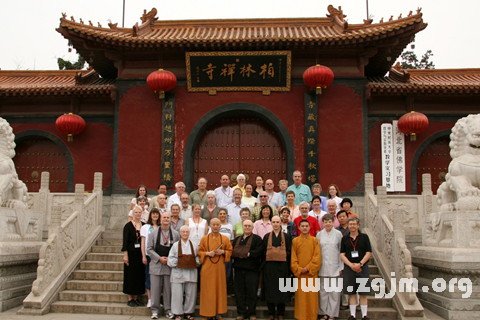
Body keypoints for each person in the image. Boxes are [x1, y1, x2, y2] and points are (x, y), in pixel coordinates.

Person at [198, 218, 233, 319]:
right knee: (208, 291)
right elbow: (199, 252)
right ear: (210, 226)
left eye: (217, 224)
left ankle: (218, 312)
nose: (215, 226)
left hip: (219, 269)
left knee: (219, 290)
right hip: (207, 269)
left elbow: (230, 251)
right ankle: (208, 313)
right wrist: (207, 253)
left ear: (220, 226)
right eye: (213, 224)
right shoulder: (204, 238)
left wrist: (223, 252)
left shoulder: (225, 239)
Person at [147, 212, 180, 320]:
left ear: (170, 219)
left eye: (168, 217)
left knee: (168, 290)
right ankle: (155, 310)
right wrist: (159, 258)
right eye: (164, 217)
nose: (166, 219)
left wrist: (169, 260)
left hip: (169, 266)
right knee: (155, 289)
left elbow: (177, 250)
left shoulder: (175, 234)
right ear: (161, 219)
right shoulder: (153, 233)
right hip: (156, 265)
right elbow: (149, 249)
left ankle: (168, 310)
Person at [340, 218, 372, 320]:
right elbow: (342, 254)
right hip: (349, 268)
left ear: (358, 225)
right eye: (350, 224)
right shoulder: (344, 238)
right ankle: (352, 315)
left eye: (354, 224)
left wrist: (360, 264)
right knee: (351, 293)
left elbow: (368, 252)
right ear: (348, 226)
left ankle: (364, 315)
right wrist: (351, 265)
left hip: (363, 268)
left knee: (363, 293)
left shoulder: (364, 237)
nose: (352, 226)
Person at [232, 219, 264, 320]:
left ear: (252, 227)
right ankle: (241, 313)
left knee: (252, 292)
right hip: (238, 269)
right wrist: (242, 253)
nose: (247, 227)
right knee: (239, 292)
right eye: (245, 226)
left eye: (249, 226)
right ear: (242, 226)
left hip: (252, 270)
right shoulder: (237, 239)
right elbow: (233, 252)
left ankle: (252, 313)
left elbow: (259, 251)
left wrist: (247, 253)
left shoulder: (257, 239)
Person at [291, 219, 321, 320]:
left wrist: (308, 268)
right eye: (302, 226)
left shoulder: (314, 240)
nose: (304, 228)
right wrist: (299, 269)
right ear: (299, 228)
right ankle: (301, 317)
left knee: (312, 299)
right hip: (300, 275)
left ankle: (312, 317)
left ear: (310, 227)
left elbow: (317, 257)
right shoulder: (295, 241)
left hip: (311, 274)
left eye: (306, 226)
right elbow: (293, 258)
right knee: (301, 299)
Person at [167, 225, 199, 320]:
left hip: (191, 272)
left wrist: (194, 261)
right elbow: (170, 259)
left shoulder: (194, 245)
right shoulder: (175, 245)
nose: (185, 233)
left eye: (187, 232)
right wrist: (180, 262)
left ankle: (188, 312)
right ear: (180, 233)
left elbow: (198, 257)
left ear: (189, 233)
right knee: (177, 294)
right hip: (178, 272)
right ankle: (177, 313)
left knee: (191, 294)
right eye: (183, 232)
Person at [263, 215, 292, 320]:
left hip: (283, 267)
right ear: (271, 223)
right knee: (270, 289)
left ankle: (281, 313)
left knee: (282, 290)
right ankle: (271, 312)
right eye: (274, 222)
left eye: (277, 222)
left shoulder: (287, 236)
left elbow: (290, 251)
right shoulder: (266, 237)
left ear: (281, 223)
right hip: (269, 267)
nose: (275, 224)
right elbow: (263, 252)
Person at [316, 214, 343, 320]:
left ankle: (332, 314)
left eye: (330, 221)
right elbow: (317, 251)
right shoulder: (319, 234)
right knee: (323, 291)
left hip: (335, 266)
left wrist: (341, 267)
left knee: (334, 292)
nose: (328, 223)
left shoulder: (338, 234)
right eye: (325, 221)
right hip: (322, 266)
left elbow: (342, 251)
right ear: (323, 223)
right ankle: (323, 313)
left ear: (333, 222)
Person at [122, 205, 145, 307]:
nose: (138, 214)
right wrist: (125, 255)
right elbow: (125, 242)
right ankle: (130, 298)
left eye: (140, 212)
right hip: (131, 254)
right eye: (136, 212)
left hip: (140, 254)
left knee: (139, 275)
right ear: (133, 213)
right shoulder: (128, 226)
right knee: (130, 275)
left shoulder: (144, 225)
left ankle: (136, 298)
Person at [140, 208, 161, 308]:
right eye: (153, 214)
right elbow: (143, 242)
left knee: (159, 279)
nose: (155, 216)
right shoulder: (145, 227)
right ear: (150, 215)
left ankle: (157, 300)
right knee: (149, 277)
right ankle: (150, 299)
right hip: (149, 256)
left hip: (159, 256)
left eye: (157, 214)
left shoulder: (161, 227)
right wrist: (143, 255)